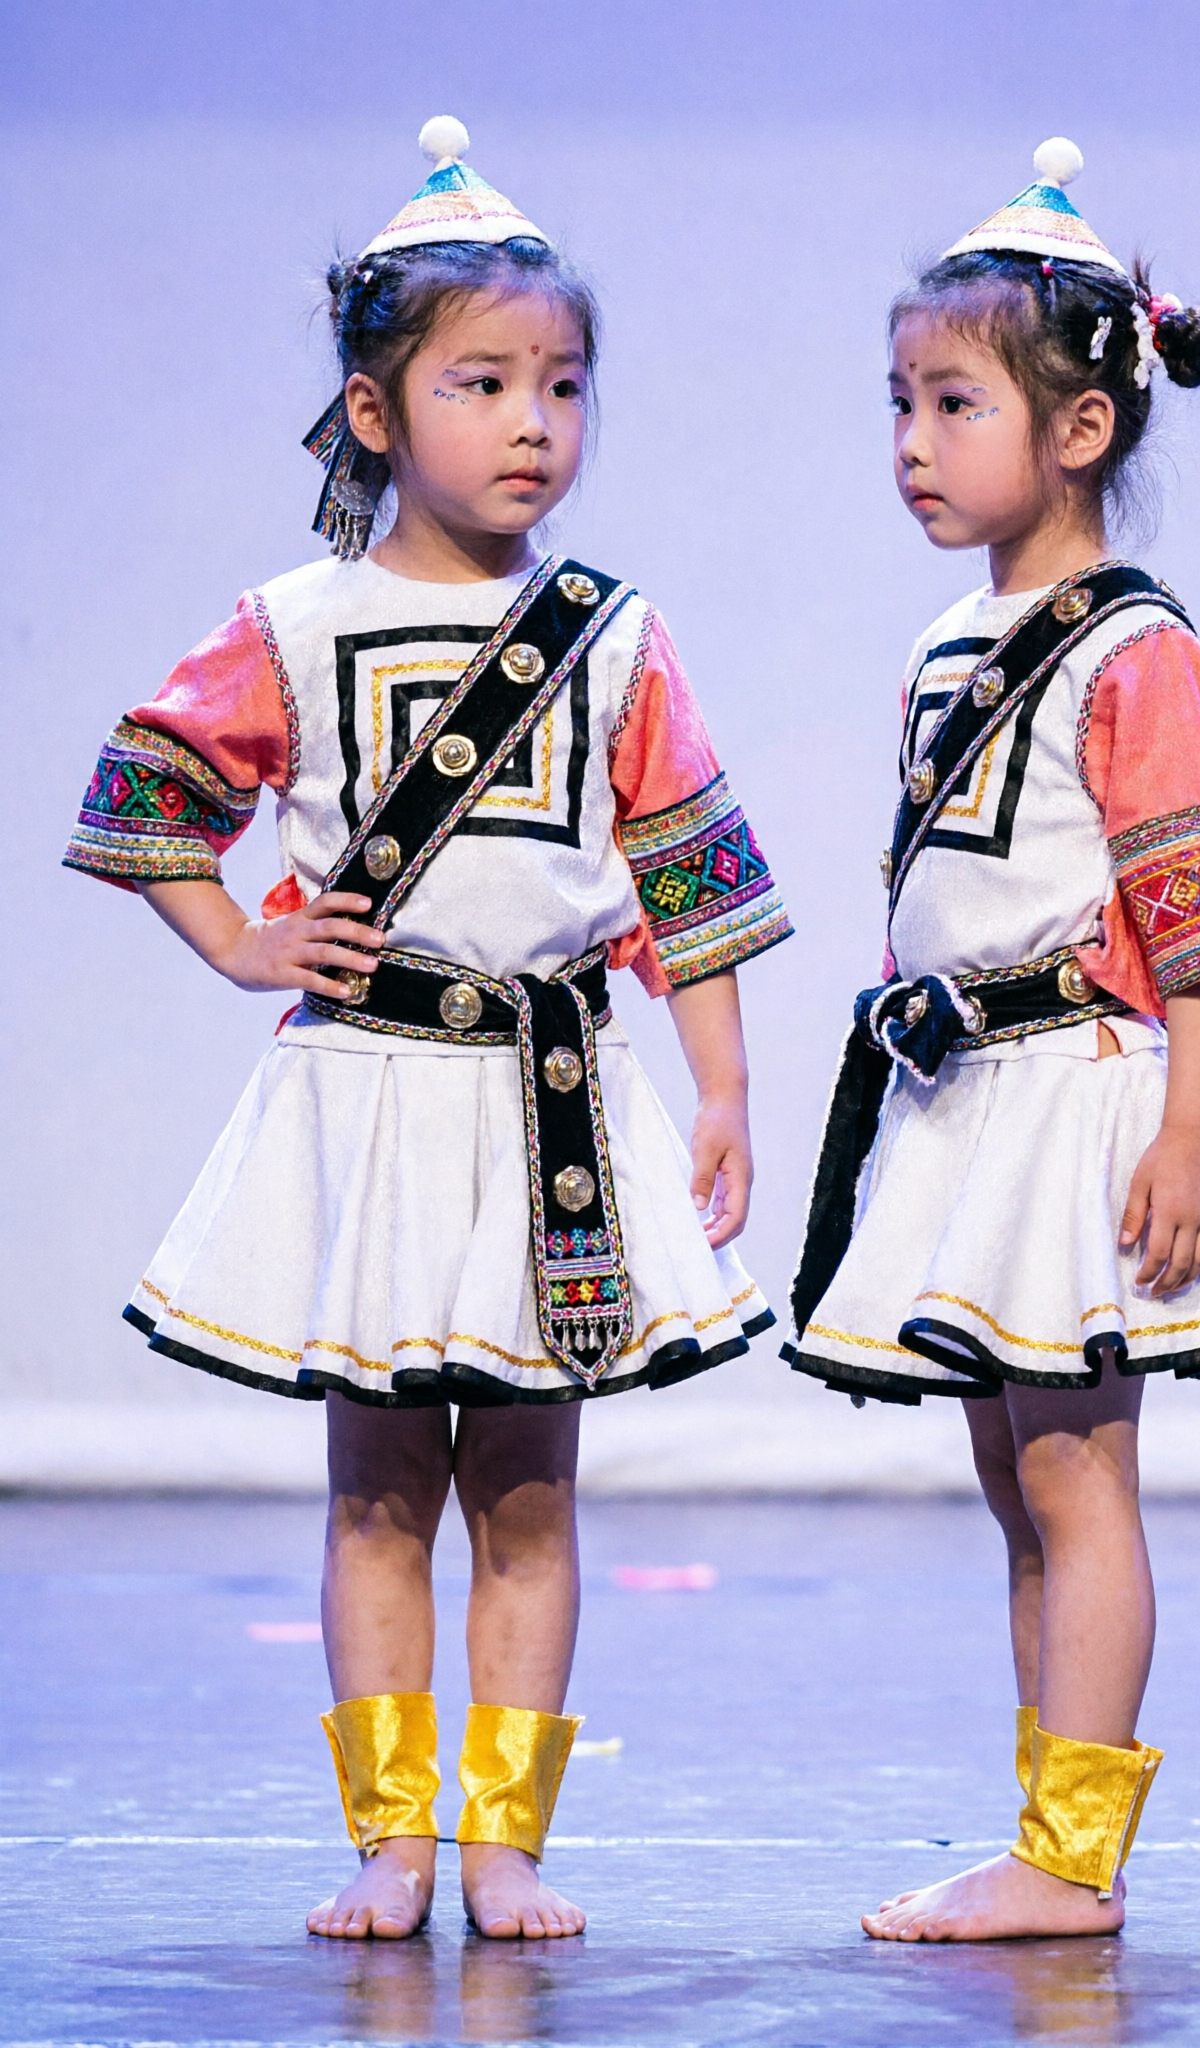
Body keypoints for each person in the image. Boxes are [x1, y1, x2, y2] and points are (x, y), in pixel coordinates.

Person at [62, 119, 791, 1941]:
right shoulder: (298, 625)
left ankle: (511, 1842)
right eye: (482, 382)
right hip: (374, 1096)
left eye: (562, 384)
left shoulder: (615, 636)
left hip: (544, 1102)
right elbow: (147, 785)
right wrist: (241, 941)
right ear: (378, 411)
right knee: (381, 1485)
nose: (532, 421)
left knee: (530, 1493)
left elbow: (689, 872)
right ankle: (392, 1837)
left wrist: (719, 1084)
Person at [783, 140, 1200, 1941]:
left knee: (1082, 1482)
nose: (912, 444)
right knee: (1019, 1491)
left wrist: (1190, 1132)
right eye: (900, 404)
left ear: (1079, 428)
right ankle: (1043, 1826)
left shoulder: (1133, 650)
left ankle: (1074, 1860)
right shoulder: (957, 634)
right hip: (972, 1102)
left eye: (952, 403)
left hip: (1083, 1101)